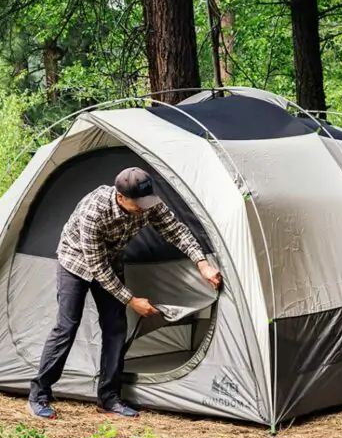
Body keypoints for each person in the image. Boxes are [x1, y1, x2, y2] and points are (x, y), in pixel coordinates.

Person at [28, 167, 222, 419]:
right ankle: (39, 393)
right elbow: (96, 266)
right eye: (138, 203)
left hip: (111, 261)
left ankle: (108, 398)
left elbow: (176, 231)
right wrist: (131, 300)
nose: (144, 207)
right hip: (76, 261)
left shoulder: (148, 203)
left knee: (116, 328)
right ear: (120, 197)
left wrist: (202, 264)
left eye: (146, 201)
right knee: (67, 326)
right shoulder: (94, 211)